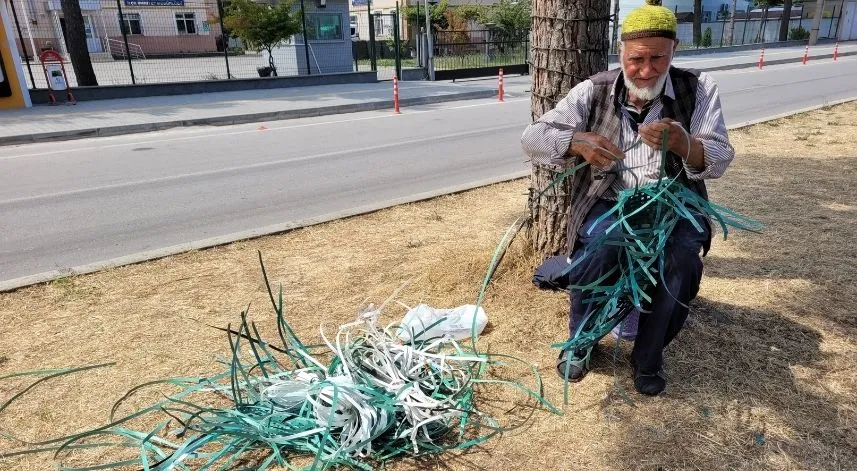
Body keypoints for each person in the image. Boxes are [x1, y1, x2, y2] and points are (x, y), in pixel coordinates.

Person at [520, 0, 734, 396]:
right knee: (600, 249)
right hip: (611, 197)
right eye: (637, 59)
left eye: (658, 58)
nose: (647, 70)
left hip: (675, 203)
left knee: (681, 262)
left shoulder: (698, 87)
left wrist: (686, 144)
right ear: (622, 53)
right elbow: (532, 138)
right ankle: (581, 342)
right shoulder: (595, 90)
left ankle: (647, 357)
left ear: (673, 53)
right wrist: (576, 141)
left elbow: (720, 157)